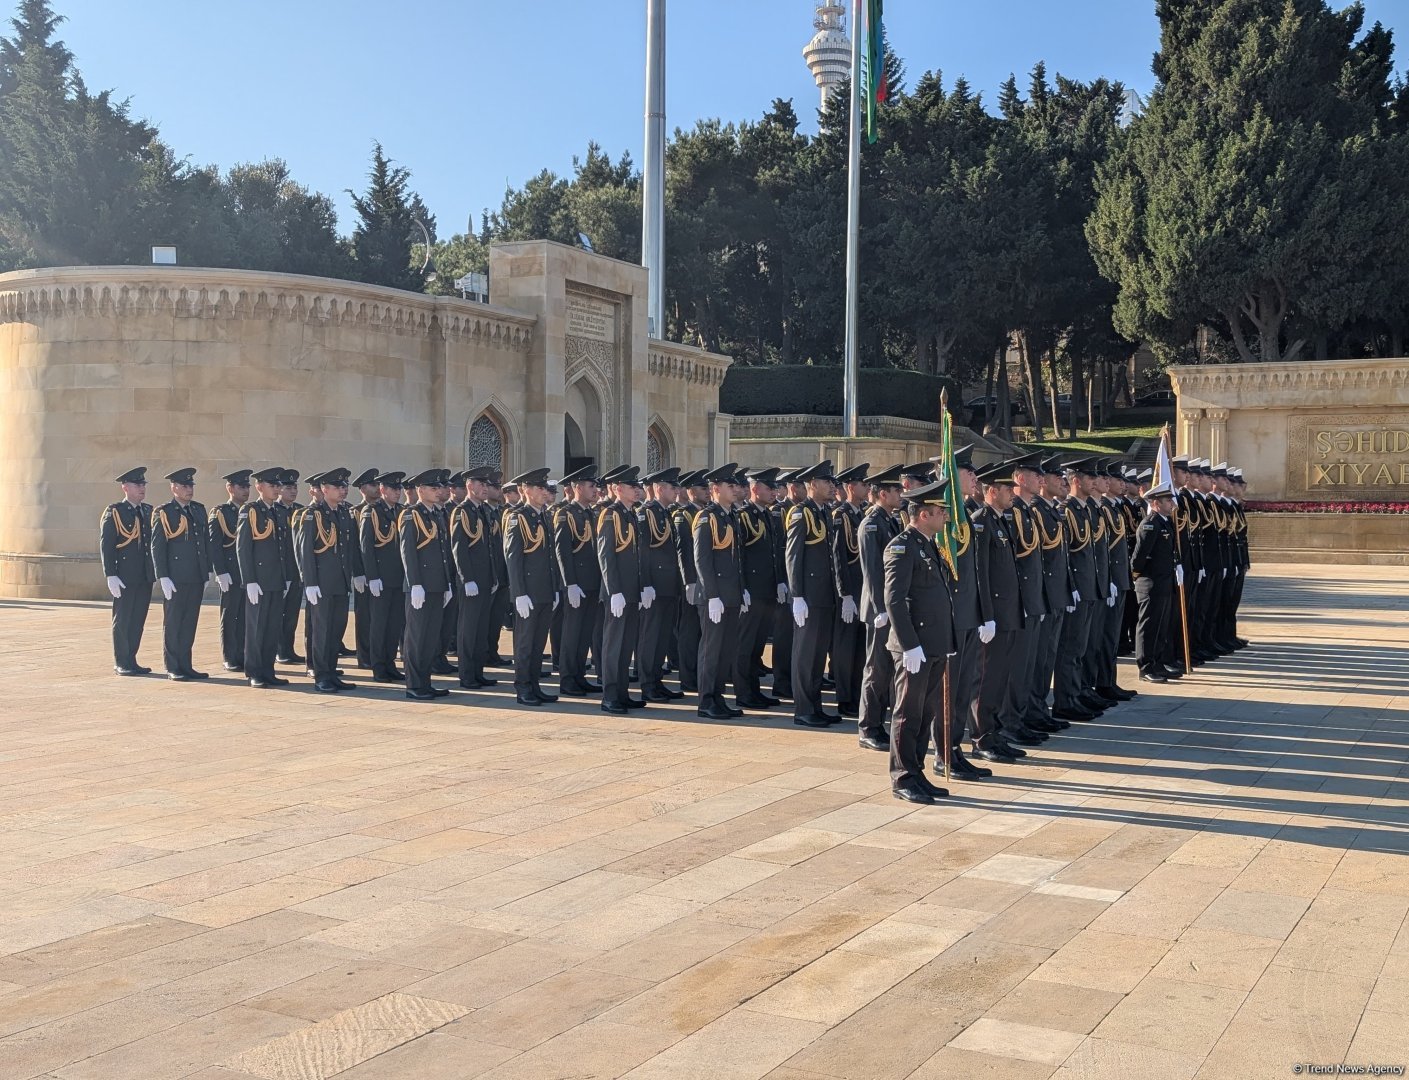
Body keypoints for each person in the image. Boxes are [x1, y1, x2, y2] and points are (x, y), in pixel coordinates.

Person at [883, 479, 956, 805]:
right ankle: (902, 776)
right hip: (914, 647)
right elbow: (894, 600)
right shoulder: (901, 546)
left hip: (934, 644)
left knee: (925, 714)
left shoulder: (929, 544)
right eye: (941, 511)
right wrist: (910, 645)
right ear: (924, 514)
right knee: (907, 714)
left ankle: (917, 771)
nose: (946, 517)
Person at [972, 462, 1034, 758]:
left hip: (1009, 612)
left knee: (1000, 676)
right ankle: (981, 736)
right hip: (994, 614)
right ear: (993, 491)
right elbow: (980, 574)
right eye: (1007, 488)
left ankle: (994, 732)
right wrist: (986, 615)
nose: (1012, 493)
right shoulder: (980, 522)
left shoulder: (1001, 520)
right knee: (986, 678)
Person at [786, 461, 840, 728]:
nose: (832, 486)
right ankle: (803, 708)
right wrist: (797, 595)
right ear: (812, 485)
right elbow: (793, 556)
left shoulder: (822, 513)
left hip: (823, 595)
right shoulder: (800, 513)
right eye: (826, 482)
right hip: (808, 596)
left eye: (832, 482)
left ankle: (815, 706)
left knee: (819, 654)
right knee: (806, 654)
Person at [296, 468, 357, 693]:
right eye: (338, 487)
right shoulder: (312, 514)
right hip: (321, 583)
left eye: (344, 486)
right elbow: (306, 551)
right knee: (321, 632)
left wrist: (354, 574)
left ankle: (332, 672)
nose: (343, 490)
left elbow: (348, 549)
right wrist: (309, 582)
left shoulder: (343, 513)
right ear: (324, 489)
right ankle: (321, 676)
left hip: (340, 582)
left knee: (336, 630)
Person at [693, 464, 746, 720]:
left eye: (735, 485)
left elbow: (737, 558)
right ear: (716, 489)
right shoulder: (707, 517)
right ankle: (706, 701)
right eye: (730, 486)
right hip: (714, 597)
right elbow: (702, 560)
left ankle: (718, 697)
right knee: (711, 650)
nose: (735, 490)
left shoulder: (730, 515)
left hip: (731, 595)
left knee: (725, 651)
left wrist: (741, 589)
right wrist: (712, 595)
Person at [857, 464, 904, 751]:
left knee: (886, 670)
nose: (901, 494)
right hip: (879, 609)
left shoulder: (890, 520)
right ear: (882, 494)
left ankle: (879, 724)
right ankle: (868, 728)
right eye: (896, 490)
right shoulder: (871, 524)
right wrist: (880, 609)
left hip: (889, 607)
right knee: (876, 670)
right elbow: (873, 571)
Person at [151, 468, 212, 680]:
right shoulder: (164, 512)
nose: (189, 490)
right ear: (174, 487)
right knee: (174, 622)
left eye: (191, 486)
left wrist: (207, 572)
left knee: (189, 622)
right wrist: (163, 576)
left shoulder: (198, 510)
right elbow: (157, 546)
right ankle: (173, 666)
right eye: (185, 486)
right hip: (175, 577)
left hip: (195, 576)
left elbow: (204, 544)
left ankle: (186, 664)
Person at [505, 468, 560, 706]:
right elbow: (513, 558)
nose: (543, 491)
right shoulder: (518, 517)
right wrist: (519, 593)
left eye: (544, 487)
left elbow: (550, 556)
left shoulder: (545, 515)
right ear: (526, 490)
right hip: (528, 591)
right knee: (525, 643)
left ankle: (535, 685)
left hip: (545, 589)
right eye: (538, 487)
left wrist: (556, 588)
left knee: (539, 642)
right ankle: (523, 687)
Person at [597, 466, 648, 714]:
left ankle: (622, 693)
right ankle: (610, 696)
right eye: (632, 487)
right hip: (617, 592)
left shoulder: (631, 514)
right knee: (614, 645)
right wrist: (614, 590)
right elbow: (606, 556)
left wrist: (640, 588)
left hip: (631, 591)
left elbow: (636, 557)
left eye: (638, 486)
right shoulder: (610, 514)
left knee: (627, 645)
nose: (637, 490)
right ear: (618, 489)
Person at [399, 469, 453, 701]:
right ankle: (414, 684)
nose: (439, 491)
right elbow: (408, 551)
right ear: (420, 490)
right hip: (420, 586)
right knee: (417, 637)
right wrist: (415, 583)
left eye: (439, 487)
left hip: (437, 585)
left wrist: (447, 583)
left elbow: (443, 553)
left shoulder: (437, 515)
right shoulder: (411, 515)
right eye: (433, 488)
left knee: (431, 637)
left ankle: (426, 682)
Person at [735, 467, 784, 710]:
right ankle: (744, 692)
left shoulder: (768, 515)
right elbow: (739, 555)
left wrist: (780, 582)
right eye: (769, 487)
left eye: (775, 487)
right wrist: (742, 587)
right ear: (755, 489)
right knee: (745, 645)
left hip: (767, 590)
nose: (774, 491)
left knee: (757, 646)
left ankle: (754, 690)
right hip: (752, 591)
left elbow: (775, 554)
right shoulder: (743, 516)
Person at [237, 467, 290, 689]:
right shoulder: (250, 511)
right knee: (256, 628)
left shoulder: (279, 511)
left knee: (271, 628)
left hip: (276, 579)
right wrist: (249, 580)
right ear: (259, 487)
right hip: (258, 580)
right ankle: (254, 671)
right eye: (272, 485)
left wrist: (286, 576)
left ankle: (268, 670)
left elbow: (284, 547)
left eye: (278, 485)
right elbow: (243, 548)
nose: (277, 489)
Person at [99, 466, 155, 676]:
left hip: (144, 575)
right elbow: (107, 545)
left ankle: (132, 658)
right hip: (123, 575)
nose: (142, 488)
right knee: (123, 619)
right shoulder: (115, 512)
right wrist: (110, 574)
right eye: (137, 484)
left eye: (143, 484)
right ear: (125, 487)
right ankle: (121, 661)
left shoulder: (148, 511)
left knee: (138, 619)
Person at [553, 466, 602, 696]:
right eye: (591, 486)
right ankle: (567, 678)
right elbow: (562, 551)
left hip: (592, 582)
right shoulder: (566, 514)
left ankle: (579, 675)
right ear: (577, 488)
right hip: (577, 584)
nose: (596, 490)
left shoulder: (591, 513)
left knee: (585, 633)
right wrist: (569, 583)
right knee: (572, 633)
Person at [638, 467, 685, 703]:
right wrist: (645, 584)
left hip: (669, 586)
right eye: (672, 487)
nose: (677, 491)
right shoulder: (646, 514)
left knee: (663, 636)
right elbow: (642, 551)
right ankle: (647, 684)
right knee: (651, 637)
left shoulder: (666, 512)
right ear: (658, 489)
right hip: (654, 587)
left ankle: (657, 680)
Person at [451, 467, 499, 690]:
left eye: (487, 485)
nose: (485, 489)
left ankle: (478, 671)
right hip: (471, 581)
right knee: (468, 630)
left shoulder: (483, 511)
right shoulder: (463, 511)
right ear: (470, 486)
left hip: (486, 579)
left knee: (481, 629)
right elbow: (459, 549)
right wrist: (467, 578)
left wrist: (494, 577)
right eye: (481, 485)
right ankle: (467, 674)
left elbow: (488, 548)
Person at [360, 470, 407, 684]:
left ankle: (390, 664)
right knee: (379, 625)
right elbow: (366, 547)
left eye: (399, 489)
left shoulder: (403, 511)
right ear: (382, 490)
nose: (397, 492)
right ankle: (378, 666)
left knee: (394, 624)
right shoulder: (371, 511)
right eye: (393, 489)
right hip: (380, 578)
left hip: (399, 577)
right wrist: (372, 576)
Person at [830, 463, 870, 720]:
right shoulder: (841, 515)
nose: (867, 488)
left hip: (862, 589)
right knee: (845, 649)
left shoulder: (861, 513)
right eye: (863, 484)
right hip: (849, 591)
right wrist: (844, 594)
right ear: (850, 487)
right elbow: (838, 557)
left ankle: (857, 695)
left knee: (860, 649)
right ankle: (845, 697)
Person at [1132, 481, 1180, 682]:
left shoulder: (1165, 522)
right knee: (1149, 625)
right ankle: (1145, 666)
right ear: (1156, 503)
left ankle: (1157, 662)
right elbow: (1139, 557)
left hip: (1164, 581)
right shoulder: (1150, 524)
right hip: (1151, 582)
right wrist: (1138, 577)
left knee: (1161, 625)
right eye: (1168, 501)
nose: (1172, 504)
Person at [209, 469, 251, 672]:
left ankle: (243, 653)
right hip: (230, 572)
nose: (246, 491)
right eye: (241, 487)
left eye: (247, 486)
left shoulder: (250, 511)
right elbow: (214, 545)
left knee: (244, 616)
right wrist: (220, 572)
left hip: (247, 573)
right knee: (229, 614)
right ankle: (229, 656)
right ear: (230, 488)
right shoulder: (221, 512)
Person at [672, 471, 709, 695]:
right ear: (691, 491)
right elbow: (683, 550)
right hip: (691, 581)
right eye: (703, 489)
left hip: (704, 581)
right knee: (689, 631)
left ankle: (699, 673)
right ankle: (688, 677)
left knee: (701, 631)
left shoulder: (705, 513)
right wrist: (689, 581)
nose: (707, 492)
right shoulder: (683, 515)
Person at [350, 467, 381, 670]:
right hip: (363, 572)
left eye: (378, 484)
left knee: (379, 617)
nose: (377, 488)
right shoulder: (355, 512)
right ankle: (365, 656)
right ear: (362, 488)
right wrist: (359, 573)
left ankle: (378, 653)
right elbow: (353, 545)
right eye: (372, 485)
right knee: (365, 617)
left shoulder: (383, 510)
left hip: (381, 572)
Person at [275, 469, 304, 665]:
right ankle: (279, 650)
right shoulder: (273, 511)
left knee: (292, 613)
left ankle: (289, 649)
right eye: (288, 487)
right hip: (280, 571)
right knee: (279, 613)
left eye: (294, 487)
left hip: (297, 570)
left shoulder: (300, 511)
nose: (292, 491)